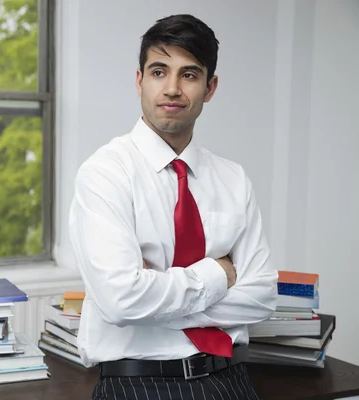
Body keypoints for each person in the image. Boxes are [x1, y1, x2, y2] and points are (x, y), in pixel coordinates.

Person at [68, 14, 278, 400]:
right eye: (159, 71)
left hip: (230, 381)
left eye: (189, 74)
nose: (172, 88)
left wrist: (157, 296)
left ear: (210, 87)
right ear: (139, 80)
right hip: (136, 385)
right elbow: (121, 301)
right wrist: (219, 275)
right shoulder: (105, 174)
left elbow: (262, 295)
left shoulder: (234, 180)